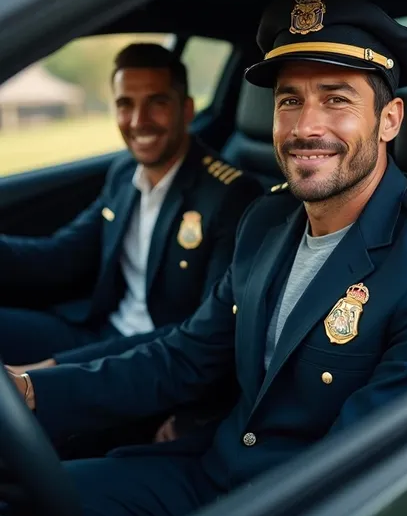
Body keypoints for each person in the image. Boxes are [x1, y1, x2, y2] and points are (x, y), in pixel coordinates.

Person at [9, 0, 407, 516]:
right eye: (289, 101)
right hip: (206, 473)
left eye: (336, 100)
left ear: (389, 119)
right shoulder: (267, 220)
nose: (306, 126)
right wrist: (31, 392)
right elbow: (184, 357)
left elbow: (357, 483)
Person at [0, 43, 262, 371]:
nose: (139, 121)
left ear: (187, 110)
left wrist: (54, 367)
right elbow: (62, 255)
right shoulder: (125, 173)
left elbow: (202, 331)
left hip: (157, 358)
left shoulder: (228, 196)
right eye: (126, 104)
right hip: (98, 331)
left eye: (157, 103)